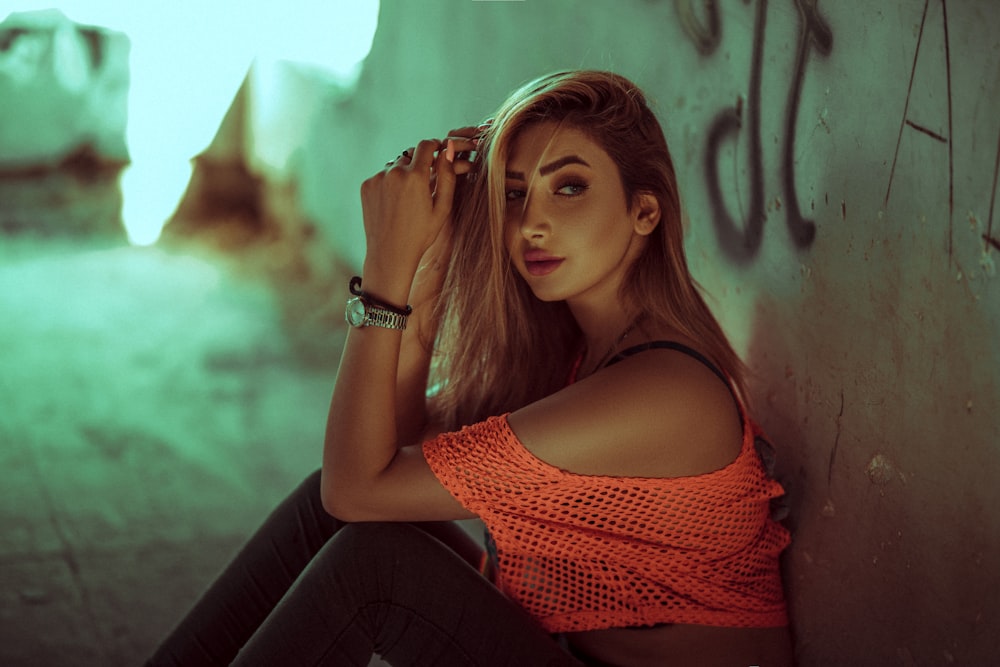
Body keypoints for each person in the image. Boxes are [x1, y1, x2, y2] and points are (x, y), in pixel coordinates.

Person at [147, 70, 794, 666]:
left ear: (643, 212)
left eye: (568, 186)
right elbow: (387, 452)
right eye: (513, 194)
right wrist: (430, 259)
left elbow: (359, 485)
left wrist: (385, 271)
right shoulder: (576, 352)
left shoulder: (663, 391)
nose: (531, 222)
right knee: (339, 515)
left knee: (376, 567)